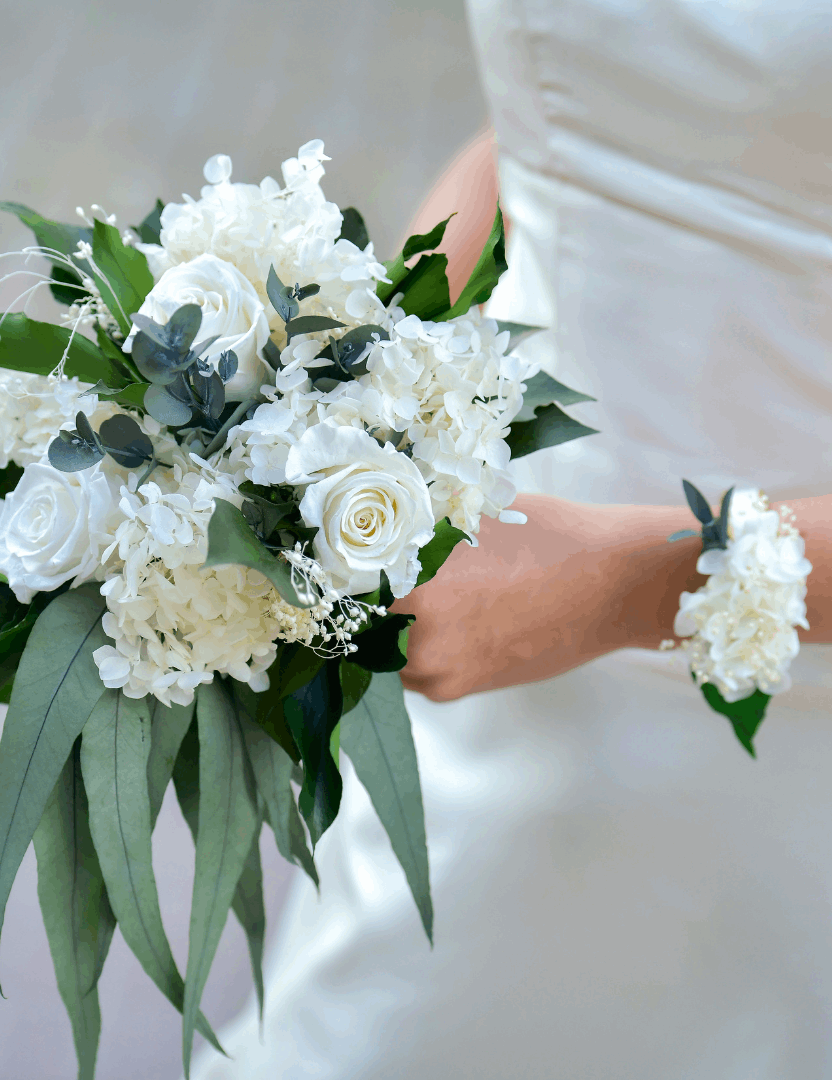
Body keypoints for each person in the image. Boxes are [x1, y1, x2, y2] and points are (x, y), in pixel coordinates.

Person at [191, 0, 832, 1074]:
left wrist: (642, 582)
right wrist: (368, 373)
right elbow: (557, 132)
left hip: (786, 746)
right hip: (493, 624)